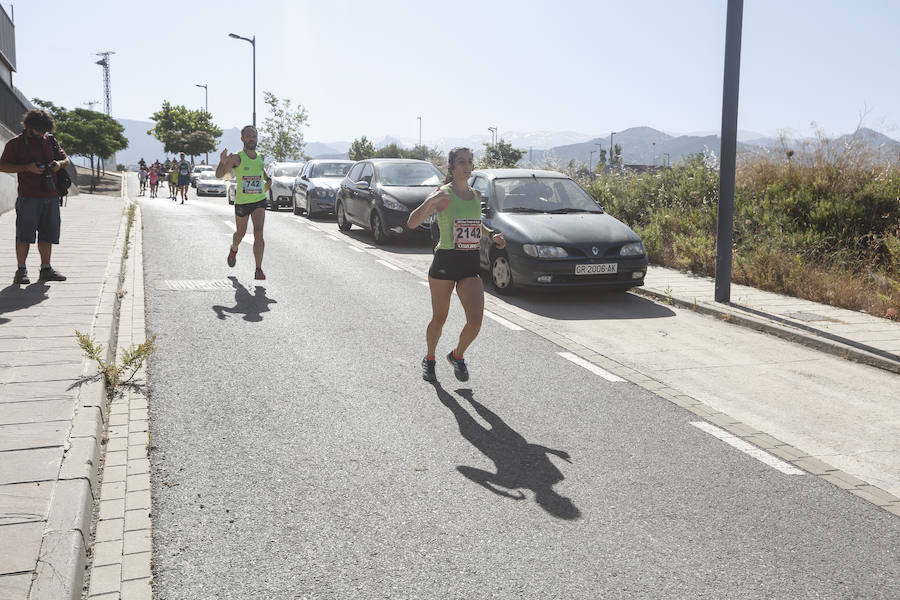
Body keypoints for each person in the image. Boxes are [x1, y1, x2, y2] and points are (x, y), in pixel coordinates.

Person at [407, 147, 506, 382]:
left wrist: (491, 235)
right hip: (445, 262)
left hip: (470, 263)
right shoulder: (443, 195)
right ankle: (429, 358)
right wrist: (430, 202)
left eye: (470, 161)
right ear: (451, 166)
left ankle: (456, 355)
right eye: (461, 161)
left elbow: (474, 223)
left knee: (475, 320)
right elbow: (412, 223)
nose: (467, 166)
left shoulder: (476, 196)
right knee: (439, 318)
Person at [0, 109, 71, 284]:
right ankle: (21, 271)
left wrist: (58, 164)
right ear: (29, 126)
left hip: (51, 195)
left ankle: (46, 269)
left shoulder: (51, 141)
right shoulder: (15, 143)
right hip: (28, 196)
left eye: (45, 130)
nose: (43, 133)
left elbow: (67, 160)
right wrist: (26, 168)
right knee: (24, 234)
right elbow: (2, 166)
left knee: (48, 234)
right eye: (40, 130)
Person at [216, 125, 271, 280]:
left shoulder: (261, 157)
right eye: (248, 135)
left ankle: (258, 269)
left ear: (257, 138)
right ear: (242, 139)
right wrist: (223, 162)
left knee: (259, 232)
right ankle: (234, 249)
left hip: (259, 200)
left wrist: (268, 180)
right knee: (240, 233)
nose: (251, 138)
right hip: (242, 202)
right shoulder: (236, 157)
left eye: (254, 135)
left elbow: (261, 172)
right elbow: (220, 175)